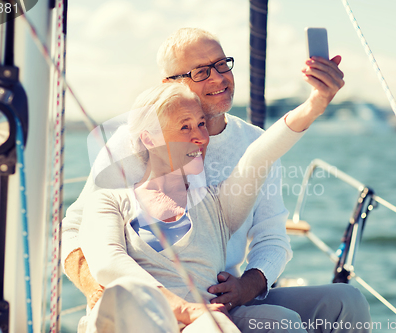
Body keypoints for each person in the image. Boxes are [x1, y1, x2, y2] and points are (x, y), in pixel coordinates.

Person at [63, 28, 372, 332]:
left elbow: (261, 170)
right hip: (152, 308)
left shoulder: (222, 186)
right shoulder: (125, 150)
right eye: (200, 72)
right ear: (170, 85)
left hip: (225, 297)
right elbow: (83, 236)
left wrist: (246, 287)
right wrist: (100, 290)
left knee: (345, 302)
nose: (218, 77)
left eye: (222, 65)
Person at [80, 81, 315, 332]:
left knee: (282, 323)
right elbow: (108, 263)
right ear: (149, 139)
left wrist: (314, 105)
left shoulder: (217, 204)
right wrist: (185, 309)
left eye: (201, 124)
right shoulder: (108, 201)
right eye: (185, 127)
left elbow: (260, 154)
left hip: (209, 324)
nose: (201, 137)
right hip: (142, 322)